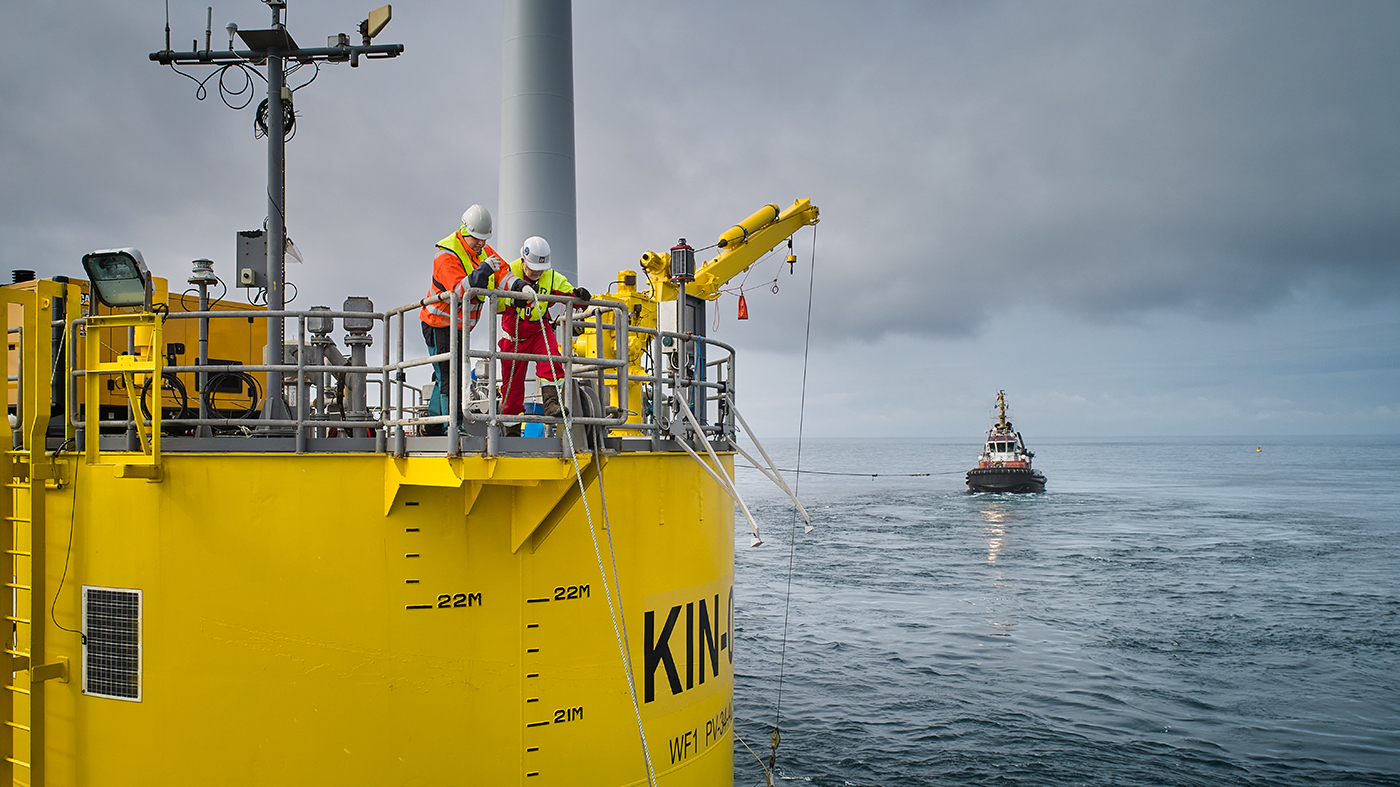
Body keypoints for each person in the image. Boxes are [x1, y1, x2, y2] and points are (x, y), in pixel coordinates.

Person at [418, 205, 526, 435]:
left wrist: (519, 286)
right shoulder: (446, 256)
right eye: (477, 238)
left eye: (484, 239)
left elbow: (502, 273)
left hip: (458, 327)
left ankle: (433, 426)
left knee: (446, 374)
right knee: (451, 376)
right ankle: (452, 427)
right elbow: (457, 292)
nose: (481, 243)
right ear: (465, 231)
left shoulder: (482, 251)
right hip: (438, 324)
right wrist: (482, 273)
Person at [498, 236, 591, 431]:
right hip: (513, 336)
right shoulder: (508, 272)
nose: (537, 273)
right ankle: (511, 430)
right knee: (511, 386)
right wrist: (512, 301)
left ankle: (551, 404)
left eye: (540, 270)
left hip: (539, 331)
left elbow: (568, 292)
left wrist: (580, 296)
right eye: (533, 269)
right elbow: (494, 300)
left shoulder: (551, 277)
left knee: (552, 360)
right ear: (523, 260)